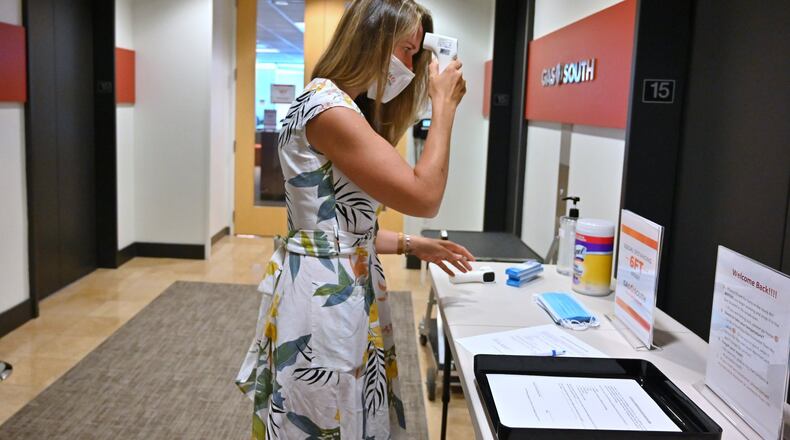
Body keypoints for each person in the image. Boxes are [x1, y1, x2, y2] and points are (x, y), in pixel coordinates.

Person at [236, 0, 472, 438]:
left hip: (334, 282)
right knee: (328, 413)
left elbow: (335, 229)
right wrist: (443, 107)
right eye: (405, 50)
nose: (410, 67)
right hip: (327, 299)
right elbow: (424, 197)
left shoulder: (334, 103)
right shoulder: (330, 110)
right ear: (372, 39)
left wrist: (411, 244)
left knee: (346, 409)